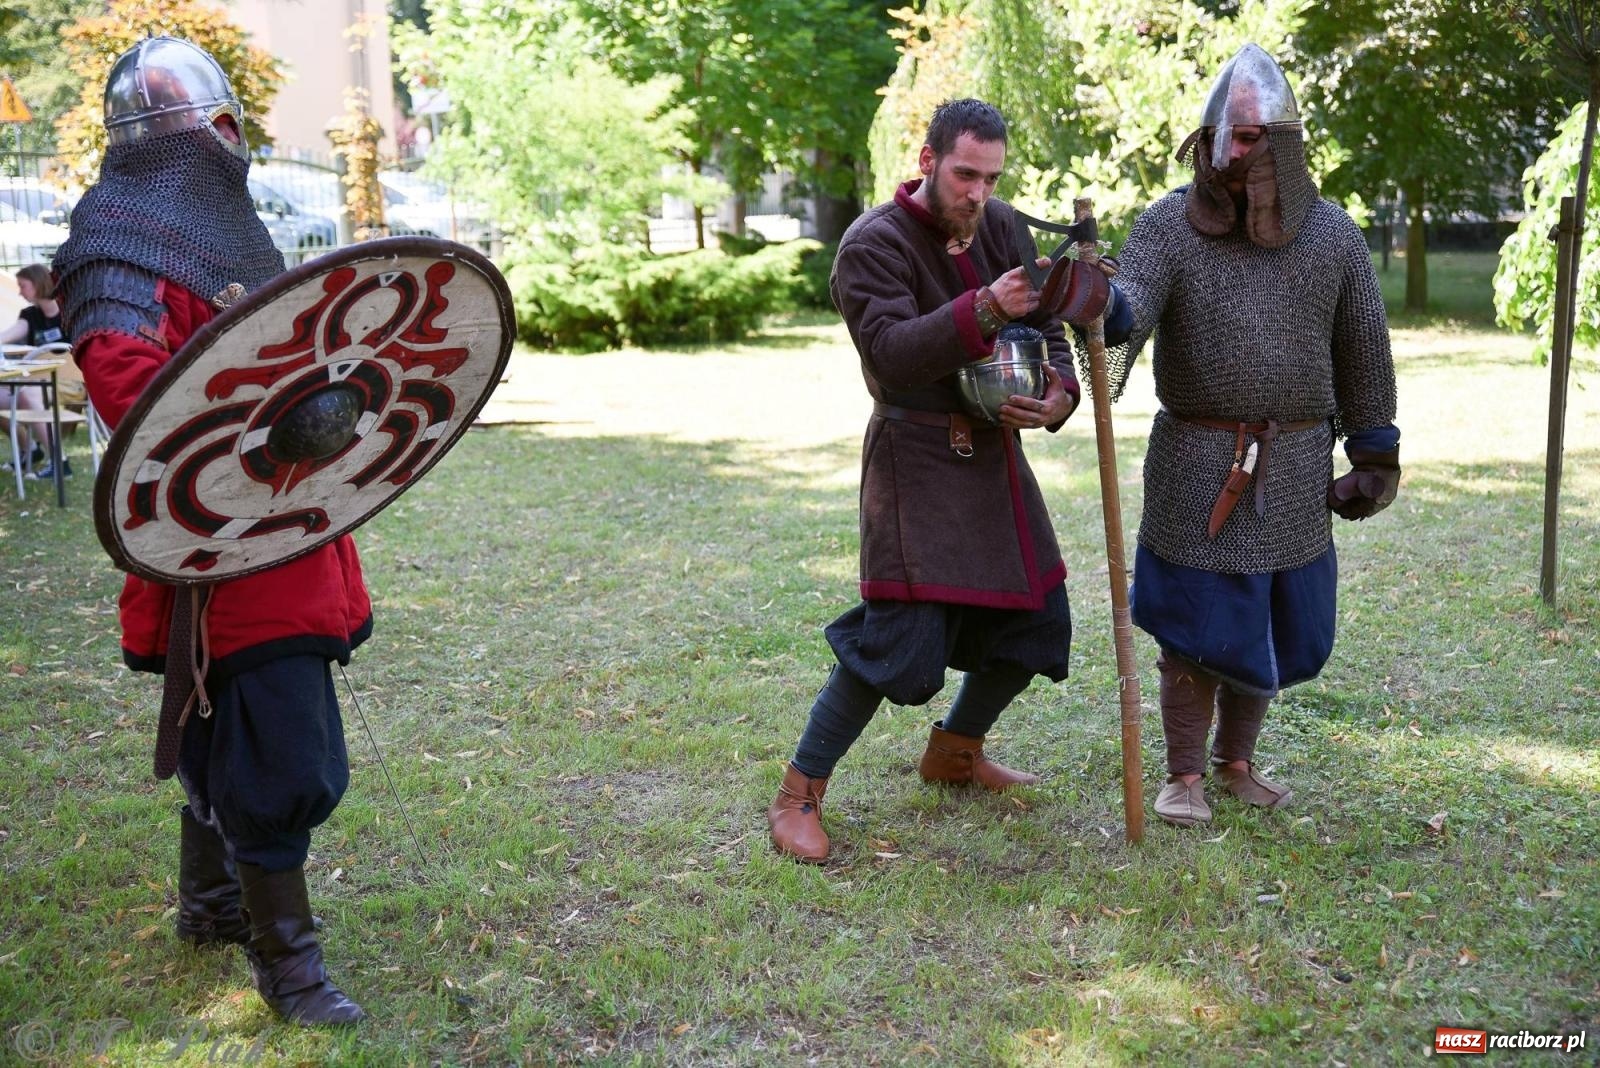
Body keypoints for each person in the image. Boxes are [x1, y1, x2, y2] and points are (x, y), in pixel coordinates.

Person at [53, 37, 372, 1024]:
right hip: (211, 543)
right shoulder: (116, 243)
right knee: (282, 751)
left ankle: (213, 900)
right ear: (180, 134)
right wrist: (271, 423)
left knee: (217, 730)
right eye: (222, 124)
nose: (235, 143)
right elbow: (131, 388)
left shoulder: (218, 228)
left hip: (277, 524)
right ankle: (290, 965)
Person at [766, 98, 1110, 864]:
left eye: (991, 177)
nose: (978, 193)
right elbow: (890, 351)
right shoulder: (871, 244)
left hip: (994, 462)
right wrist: (985, 304)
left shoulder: (1003, 225)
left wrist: (1060, 392)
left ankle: (955, 752)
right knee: (900, 643)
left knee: (1038, 623)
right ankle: (798, 792)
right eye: (964, 174)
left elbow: (1049, 328)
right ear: (928, 161)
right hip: (914, 461)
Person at [1102, 44, 1400, 828]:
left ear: (1286, 143)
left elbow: (1363, 349)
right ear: (1205, 136)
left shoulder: (1331, 237)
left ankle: (1236, 764)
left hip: (1295, 461)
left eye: (1254, 137)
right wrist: (1101, 312)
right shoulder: (1170, 225)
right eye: (1228, 136)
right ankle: (1183, 776)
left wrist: (1374, 453)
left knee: (1270, 621)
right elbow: (1127, 308)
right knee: (1192, 625)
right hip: (1197, 461)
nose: (1237, 152)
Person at [0, 264, 65, 476]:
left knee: (28, 392)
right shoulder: (29, 315)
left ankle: (60, 462)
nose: (19, 292)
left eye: (22, 286)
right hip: (38, 380)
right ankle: (31, 450)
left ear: (38, 284)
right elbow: (8, 335)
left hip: (69, 382)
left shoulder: (69, 311)